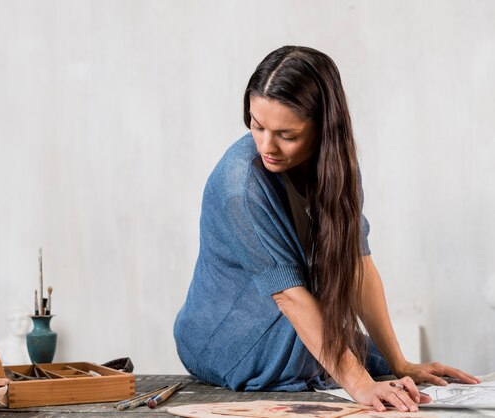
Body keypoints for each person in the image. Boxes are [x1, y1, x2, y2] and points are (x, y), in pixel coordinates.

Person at [173, 45, 479, 413]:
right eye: (256, 126)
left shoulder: (336, 168)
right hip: (228, 339)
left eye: (287, 135)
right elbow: (288, 296)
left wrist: (399, 362)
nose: (267, 146)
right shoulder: (240, 184)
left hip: (293, 318)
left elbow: (357, 266)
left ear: (323, 129)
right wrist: (360, 384)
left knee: (379, 367)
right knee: (353, 363)